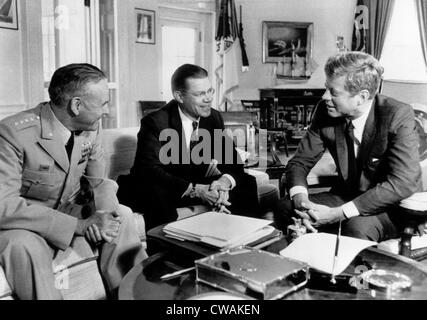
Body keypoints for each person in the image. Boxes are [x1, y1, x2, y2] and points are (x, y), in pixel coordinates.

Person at [0, 63, 147, 300]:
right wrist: (78, 226)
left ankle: (135, 295)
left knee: (123, 214)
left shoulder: (91, 127)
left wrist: (103, 216)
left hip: (70, 209)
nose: (106, 111)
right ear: (76, 105)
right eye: (104, 103)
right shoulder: (12, 134)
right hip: (25, 222)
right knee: (22, 245)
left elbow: (99, 181)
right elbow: (3, 207)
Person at [274, 51, 423, 242]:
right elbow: (300, 162)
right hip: (345, 195)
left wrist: (339, 213)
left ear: (361, 97)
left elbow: (402, 182)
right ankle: (312, 264)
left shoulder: (397, 115)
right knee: (285, 207)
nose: (325, 97)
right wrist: (302, 201)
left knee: (355, 228)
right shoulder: (325, 110)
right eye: (326, 88)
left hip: (390, 205)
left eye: (333, 92)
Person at [118, 64, 260, 230]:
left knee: (247, 182)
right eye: (200, 94)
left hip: (191, 183)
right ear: (179, 96)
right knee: (158, 194)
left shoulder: (212, 118)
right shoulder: (156, 122)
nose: (208, 98)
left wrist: (223, 183)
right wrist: (196, 190)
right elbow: (149, 171)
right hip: (157, 185)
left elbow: (233, 163)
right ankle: (168, 253)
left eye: (210, 91)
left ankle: (247, 244)